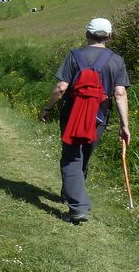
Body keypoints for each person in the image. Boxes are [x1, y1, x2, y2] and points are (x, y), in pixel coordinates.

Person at [39, 18, 131, 223]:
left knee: (72, 158)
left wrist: (47, 108)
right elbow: (119, 93)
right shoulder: (117, 60)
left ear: (87, 34)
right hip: (99, 117)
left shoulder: (74, 55)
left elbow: (61, 88)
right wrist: (125, 125)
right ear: (109, 35)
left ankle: (78, 207)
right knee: (84, 155)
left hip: (73, 114)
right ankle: (71, 192)